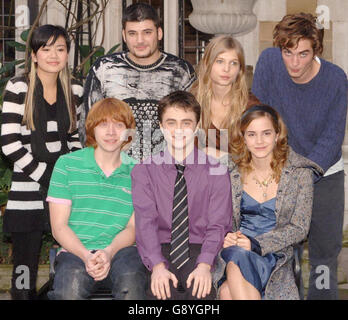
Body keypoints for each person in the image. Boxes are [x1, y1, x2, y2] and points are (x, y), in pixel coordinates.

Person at [251, 13, 347, 300]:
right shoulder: (269, 62)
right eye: (288, 53)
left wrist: (302, 175)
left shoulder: (335, 79)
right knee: (282, 257)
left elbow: (331, 140)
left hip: (324, 176)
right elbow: (261, 120)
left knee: (323, 261)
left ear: (316, 50)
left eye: (303, 54)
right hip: (279, 174)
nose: (294, 63)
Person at [0, 25, 83, 300]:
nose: (53, 55)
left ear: (67, 54)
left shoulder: (74, 88)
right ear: (34, 55)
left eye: (60, 49)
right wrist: (44, 174)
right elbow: (10, 141)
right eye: (46, 49)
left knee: (72, 257)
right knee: (24, 268)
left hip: (64, 190)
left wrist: (70, 174)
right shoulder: (19, 86)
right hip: (28, 190)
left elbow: (73, 137)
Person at [213, 105, 322, 300]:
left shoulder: (299, 174)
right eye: (252, 134)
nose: (259, 141)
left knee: (228, 292)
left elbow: (299, 228)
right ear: (243, 137)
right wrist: (226, 236)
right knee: (236, 256)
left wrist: (255, 244)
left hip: (275, 256)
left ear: (278, 134)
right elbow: (215, 217)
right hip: (236, 249)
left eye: (266, 133)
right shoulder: (229, 171)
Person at [131, 90, 232, 300]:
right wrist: (157, 266)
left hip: (201, 246)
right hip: (159, 247)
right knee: (158, 292)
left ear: (196, 127)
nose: (178, 129)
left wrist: (205, 265)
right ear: (160, 126)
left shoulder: (217, 171)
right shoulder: (144, 171)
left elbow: (218, 224)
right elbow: (145, 223)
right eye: (171, 122)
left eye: (186, 123)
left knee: (201, 291)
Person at [46, 97, 147, 300]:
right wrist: (86, 255)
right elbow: (59, 227)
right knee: (69, 289)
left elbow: (133, 228)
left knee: (131, 282)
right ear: (92, 129)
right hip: (75, 251)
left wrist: (108, 252)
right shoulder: (67, 165)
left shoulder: (139, 172)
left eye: (119, 125)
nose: (111, 132)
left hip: (121, 251)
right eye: (103, 124)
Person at [83, 2, 196, 161]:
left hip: (165, 170)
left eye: (147, 32)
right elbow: (87, 126)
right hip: (115, 170)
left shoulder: (180, 71)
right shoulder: (104, 69)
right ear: (124, 35)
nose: (140, 40)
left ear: (159, 33)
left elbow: (193, 127)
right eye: (132, 33)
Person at [190, 35, 259, 156]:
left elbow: (259, 156)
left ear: (240, 70)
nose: (226, 69)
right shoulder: (192, 101)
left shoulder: (250, 107)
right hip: (197, 172)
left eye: (233, 63)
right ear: (207, 64)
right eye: (220, 61)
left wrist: (220, 156)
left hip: (239, 173)